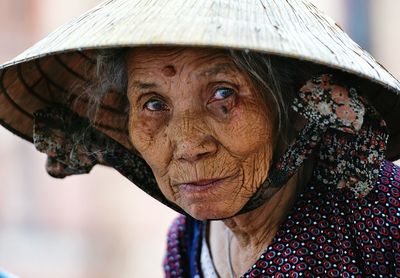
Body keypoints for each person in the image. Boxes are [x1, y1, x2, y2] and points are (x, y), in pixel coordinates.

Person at [0, 0, 399, 277]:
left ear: (291, 110)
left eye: (223, 95)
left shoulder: (380, 217)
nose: (188, 145)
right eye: (153, 104)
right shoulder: (187, 244)